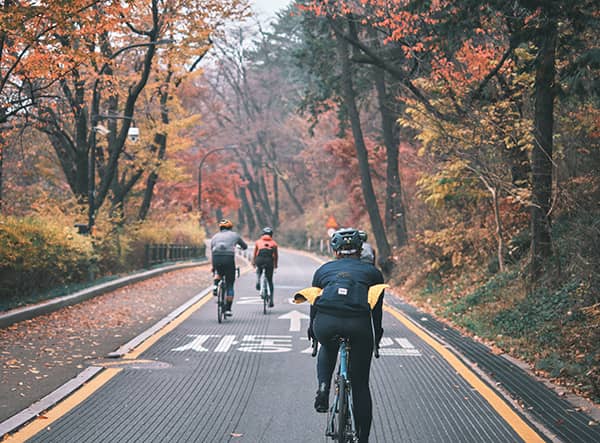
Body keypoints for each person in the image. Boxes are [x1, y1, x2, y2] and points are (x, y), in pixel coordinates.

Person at [294, 228, 387, 443]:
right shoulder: (373, 273)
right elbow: (376, 311)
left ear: (334, 250)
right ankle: (362, 438)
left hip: (326, 323)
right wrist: (377, 339)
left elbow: (314, 303)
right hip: (358, 325)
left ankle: (324, 387)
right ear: (360, 250)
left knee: (328, 346)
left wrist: (313, 332)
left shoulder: (323, 270)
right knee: (360, 383)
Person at [210, 219, 248, 316]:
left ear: (220, 228)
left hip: (216, 258)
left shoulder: (214, 237)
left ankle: (215, 285)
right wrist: (240, 247)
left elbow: (212, 250)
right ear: (230, 227)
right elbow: (244, 246)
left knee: (218, 271)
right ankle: (228, 309)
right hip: (228, 259)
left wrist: (213, 267)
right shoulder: (234, 235)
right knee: (230, 284)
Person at [252, 226, 279, 308]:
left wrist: (253, 262)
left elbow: (255, 254)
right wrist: (275, 265)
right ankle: (271, 300)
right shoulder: (274, 243)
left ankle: (258, 281)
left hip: (259, 260)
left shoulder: (258, 242)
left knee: (259, 271)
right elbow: (276, 256)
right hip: (269, 261)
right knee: (270, 281)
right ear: (271, 235)